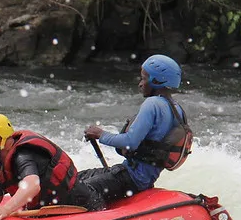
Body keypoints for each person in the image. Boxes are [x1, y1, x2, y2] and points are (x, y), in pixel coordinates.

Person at [79, 54, 192, 207]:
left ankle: (96, 218)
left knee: (80, 190)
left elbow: (130, 143)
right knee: (77, 177)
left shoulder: (152, 104)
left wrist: (100, 134)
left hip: (132, 179)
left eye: (143, 79)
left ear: (157, 81)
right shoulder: (177, 108)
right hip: (140, 177)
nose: (140, 84)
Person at [0, 114, 102, 220]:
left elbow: (32, 185)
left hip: (84, 206)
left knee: (114, 178)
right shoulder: (3, 160)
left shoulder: (23, 155)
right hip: (52, 208)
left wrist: (5, 209)